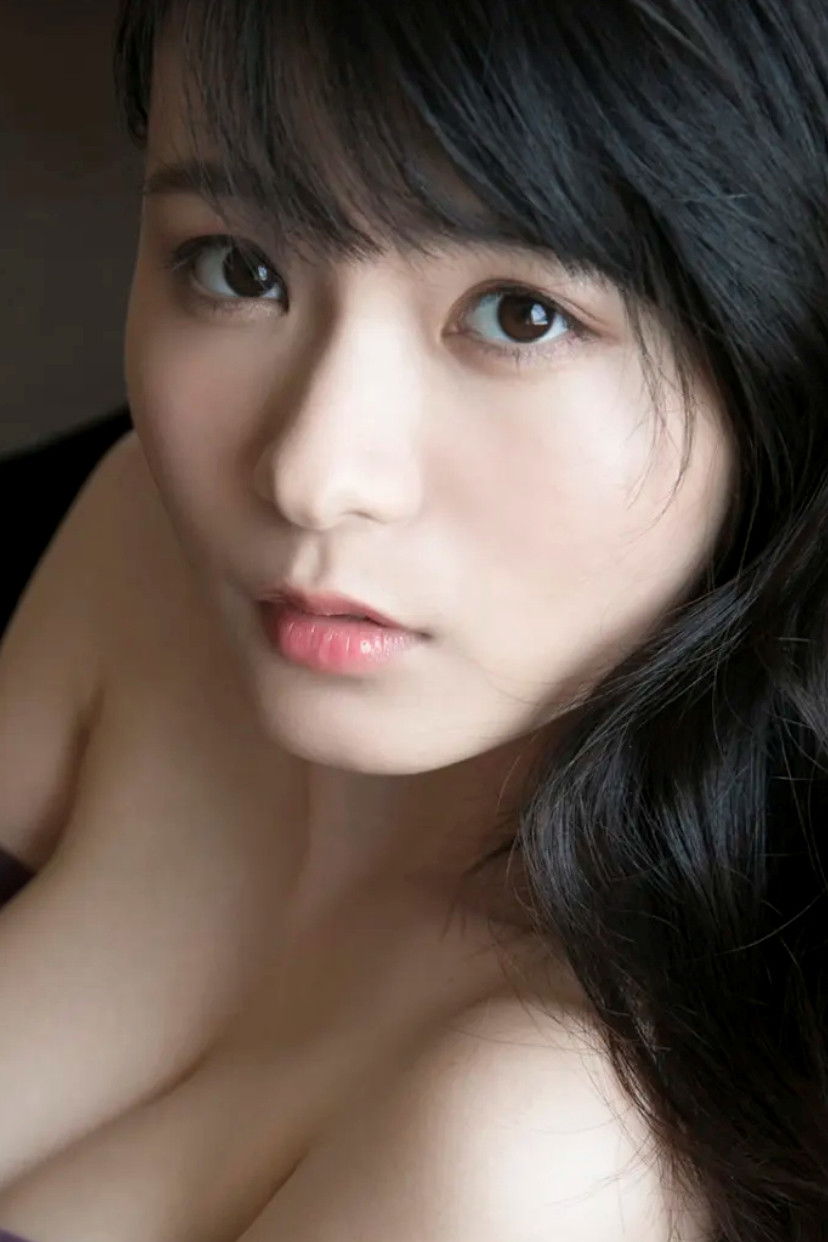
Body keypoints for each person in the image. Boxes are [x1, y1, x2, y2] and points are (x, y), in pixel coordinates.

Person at [0, 0, 825, 1237]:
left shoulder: (530, 1159)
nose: (311, 475)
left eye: (518, 314)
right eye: (239, 268)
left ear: (785, 353)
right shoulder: (149, 555)